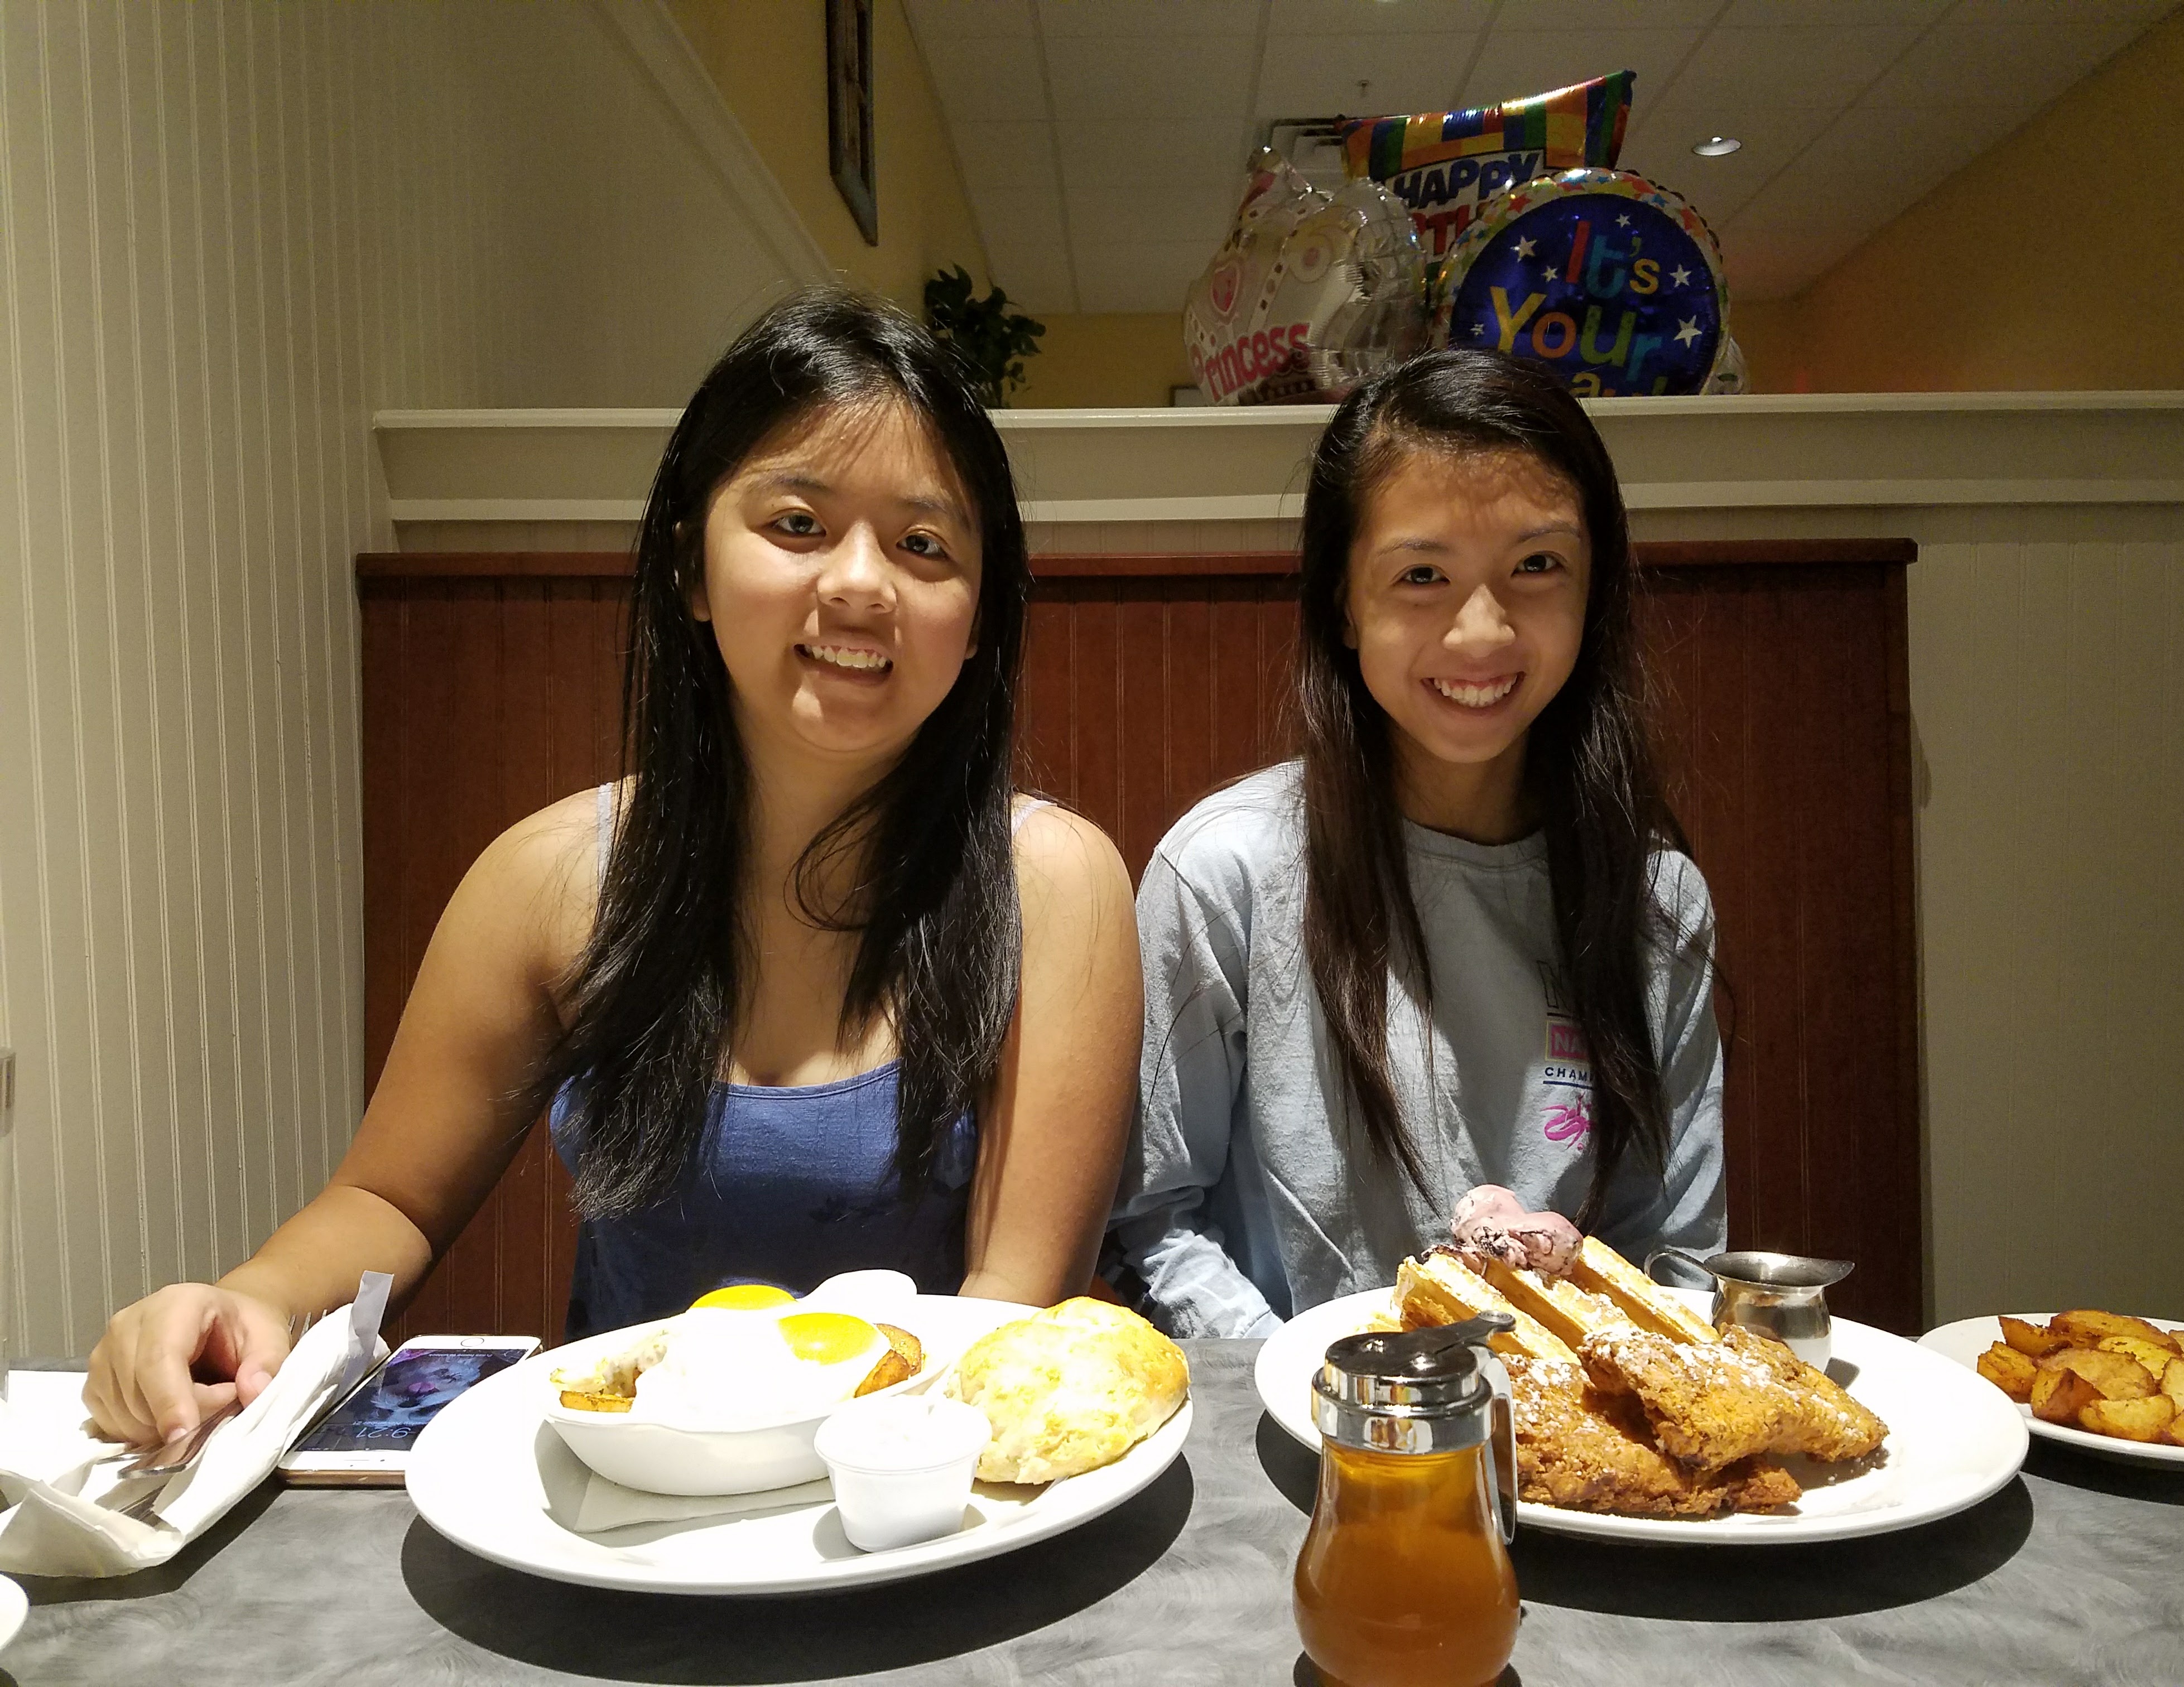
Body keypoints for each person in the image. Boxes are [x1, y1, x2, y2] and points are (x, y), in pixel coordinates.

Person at [88, 291, 1141, 1445]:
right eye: (798, 524)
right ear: (691, 570)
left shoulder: (1053, 885)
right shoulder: (548, 882)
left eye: (923, 544)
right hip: (626, 1527)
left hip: (921, 1511)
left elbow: (1011, 1310)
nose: (859, 582)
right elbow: (390, 1201)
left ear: (980, 615)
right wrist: (247, 1303)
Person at [1113, 350, 1724, 1339]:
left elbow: (1675, 1257)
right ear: (1345, 605)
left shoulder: (1657, 900)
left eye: (1536, 565)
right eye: (1422, 575)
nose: (1481, 632)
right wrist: (1336, 1395)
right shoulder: (1227, 873)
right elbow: (1152, 1223)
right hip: (1297, 1445)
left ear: (1592, 589)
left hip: (1567, 1465)